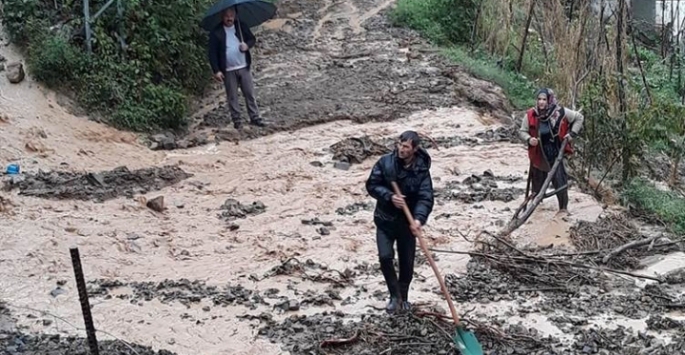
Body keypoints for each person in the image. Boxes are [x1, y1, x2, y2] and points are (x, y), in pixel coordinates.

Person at [365, 130, 434, 313]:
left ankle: (404, 298)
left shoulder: (421, 170)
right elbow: (371, 185)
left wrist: (419, 219)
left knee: (407, 264)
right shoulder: (385, 163)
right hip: (385, 220)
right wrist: (389, 196)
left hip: (407, 224)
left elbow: (425, 197)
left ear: (415, 149)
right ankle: (394, 296)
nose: (401, 149)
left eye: (405, 147)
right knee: (385, 257)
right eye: (400, 145)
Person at [519, 88, 584, 215]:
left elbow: (579, 117)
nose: (541, 102)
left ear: (549, 100)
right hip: (538, 156)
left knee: (560, 183)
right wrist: (528, 139)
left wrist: (572, 134)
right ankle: (536, 211)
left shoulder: (560, 112)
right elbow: (522, 131)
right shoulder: (531, 114)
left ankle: (563, 210)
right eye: (539, 99)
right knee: (536, 187)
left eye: (544, 99)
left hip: (555, 155)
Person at [207, 7, 266, 130]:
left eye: (231, 15)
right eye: (227, 16)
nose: (229, 18)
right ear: (222, 17)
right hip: (227, 70)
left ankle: (255, 117)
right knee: (232, 96)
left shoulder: (241, 26)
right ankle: (237, 121)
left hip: (244, 66)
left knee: (249, 93)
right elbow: (212, 53)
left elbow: (252, 39)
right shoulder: (216, 32)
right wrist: (216, 70)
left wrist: (247, 46)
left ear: (235, 16)